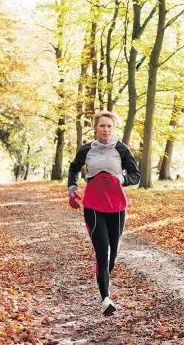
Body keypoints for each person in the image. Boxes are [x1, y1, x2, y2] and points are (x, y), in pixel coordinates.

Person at [67, 111, 140, 316]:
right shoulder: (87, 150)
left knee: (113, 255)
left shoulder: (122, 149)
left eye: (109, 126)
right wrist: (72, 189)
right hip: (93, 205)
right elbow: (73, 169)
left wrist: (121, 180)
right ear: (95, 128)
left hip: (116, 206)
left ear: (114, 128)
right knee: (103, 252)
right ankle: (106, 299)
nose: (106, 129)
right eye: (102, 126)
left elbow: (136, 175)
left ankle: (103, 278)